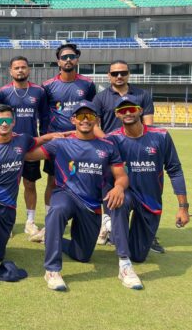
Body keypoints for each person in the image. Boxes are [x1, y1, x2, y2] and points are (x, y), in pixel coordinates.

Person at [25, 101, 139, 291]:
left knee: (82, 255)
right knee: (57, 209)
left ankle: (49, 237)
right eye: (80, 116)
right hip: (66, 194)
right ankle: (52, 270)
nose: (85, 120)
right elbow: (28, 155)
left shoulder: (108, 146)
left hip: (91, 204)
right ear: (73, 120)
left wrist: (119, 187)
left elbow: (121, 176)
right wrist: (46, 137)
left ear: (97, 120)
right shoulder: (60, 143)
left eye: (90, 116)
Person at [0, 104, 64, 284]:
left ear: (14, 121)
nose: (4, 123)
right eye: (0, 120)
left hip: (8, 204)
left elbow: (38, 140)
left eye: (8, 119)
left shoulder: (22, 140)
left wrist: (58, 135)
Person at [107, 96, 188, 268]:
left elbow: (175, 170)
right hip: (127, 193)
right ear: (117, 114)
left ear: (140, 110)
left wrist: (183, 208)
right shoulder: (112, 139)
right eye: (122, 110)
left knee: (138, 256)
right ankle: (122, 256)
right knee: (120, 201)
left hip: (150, 199)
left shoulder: (161, 136)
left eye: (131, 108)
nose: (127, 113)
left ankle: (121, 236)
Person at [34, 44, 96, 243]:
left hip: (81, 142)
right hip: (58, 142)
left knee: (84, 180)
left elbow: (93, 112)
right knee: (53, 181)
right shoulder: (48, 85)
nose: (68, 60)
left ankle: (92, 221)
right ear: (58, 61)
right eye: (64, 57)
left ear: (77, 59)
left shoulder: (88, 84)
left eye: (71, 56)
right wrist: (46, 137)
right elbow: (43, 114)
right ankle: (50, 224)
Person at [92, 60, 156, 248]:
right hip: (112, 152)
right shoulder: (100, 98)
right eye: (114, 73)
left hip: (137, 150)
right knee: (110, 187)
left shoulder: (142, 95)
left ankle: (146, 232)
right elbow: (94, 126)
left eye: (123, 73)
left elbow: (149, 124)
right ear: (108, 76)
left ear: (128, 74)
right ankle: (108, 226)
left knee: (142, 189)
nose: (119, 76)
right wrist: (109, 143)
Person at [0, 56, 49, 238]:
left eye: (23, 67)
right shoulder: (3, 92)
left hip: (30, 145)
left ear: (29, 69)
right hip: (7, 146)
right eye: (16, 68)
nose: (20, 70)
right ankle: (5, 222)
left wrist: (44, 139)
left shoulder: (39, 91)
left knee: (30, 184)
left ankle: (30, 222)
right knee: (6, 184)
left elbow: (45, 117)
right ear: (10, 71)